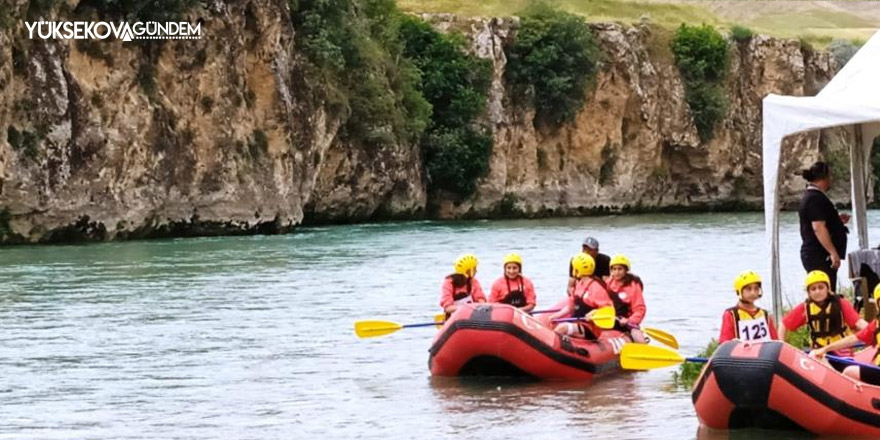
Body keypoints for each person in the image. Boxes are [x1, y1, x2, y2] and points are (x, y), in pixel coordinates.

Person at [779, 270, 867, 355]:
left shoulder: (841, 303)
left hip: (842, 351)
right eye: (813, 289)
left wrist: (874, 332)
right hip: (819, 351)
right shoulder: (805, 308)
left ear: (827, 289)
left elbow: (859, 323)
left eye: (821, 287)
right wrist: (781, 344)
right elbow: (784, 324)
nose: (817, 291)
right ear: (809, 293)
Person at [810, 285, 880, 386]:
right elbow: (853, 339)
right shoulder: (876, 324)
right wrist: (825, 349)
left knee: (850, 371)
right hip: (878, 369)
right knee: (849, 372)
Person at [798, 161, 850, 290]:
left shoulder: (814, 197)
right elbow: (818, 227)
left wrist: (836, 221)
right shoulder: (815, 198)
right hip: (819, 254)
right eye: (830, 176)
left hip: (818, 253)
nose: (831, 180)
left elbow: (819, 221)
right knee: (824, 291)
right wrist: (832, 253)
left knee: (828, 288)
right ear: (824, 177)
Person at [550, 252, 613, 339]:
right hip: (576, 321)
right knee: (553, 326)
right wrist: (555, 316)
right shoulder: (579, 284)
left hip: (589, 327)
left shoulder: (596, 288)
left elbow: (608, 309)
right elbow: (570, 308)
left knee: (562, 328)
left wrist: (594, 313)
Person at [719, 271, 778, 343]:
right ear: (739, 291)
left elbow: (775, 342)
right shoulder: (731, 315)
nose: (753, 293)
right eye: (748, 289)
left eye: (756, 289)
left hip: (762, 353)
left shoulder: (765, 315)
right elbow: (725, 343)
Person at [604, 254, 647, 343]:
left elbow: (640, 308)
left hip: (628, 322)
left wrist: (629, 320)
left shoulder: (633, 286)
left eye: (620, 269)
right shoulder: (608, 283)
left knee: (638, 338)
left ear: (626, 270)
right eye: (614, 269)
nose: (617, 272)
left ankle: (642, 347)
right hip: (610, 320)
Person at [440, 253, 486, 318]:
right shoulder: (449, 283)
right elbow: (448, 308)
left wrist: (482, 305)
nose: (476, 271)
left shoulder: (473, 282)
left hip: (472, 316)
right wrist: (466, 308)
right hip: (455, 318)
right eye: (474, 269)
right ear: (468, 271)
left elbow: (480, 299)